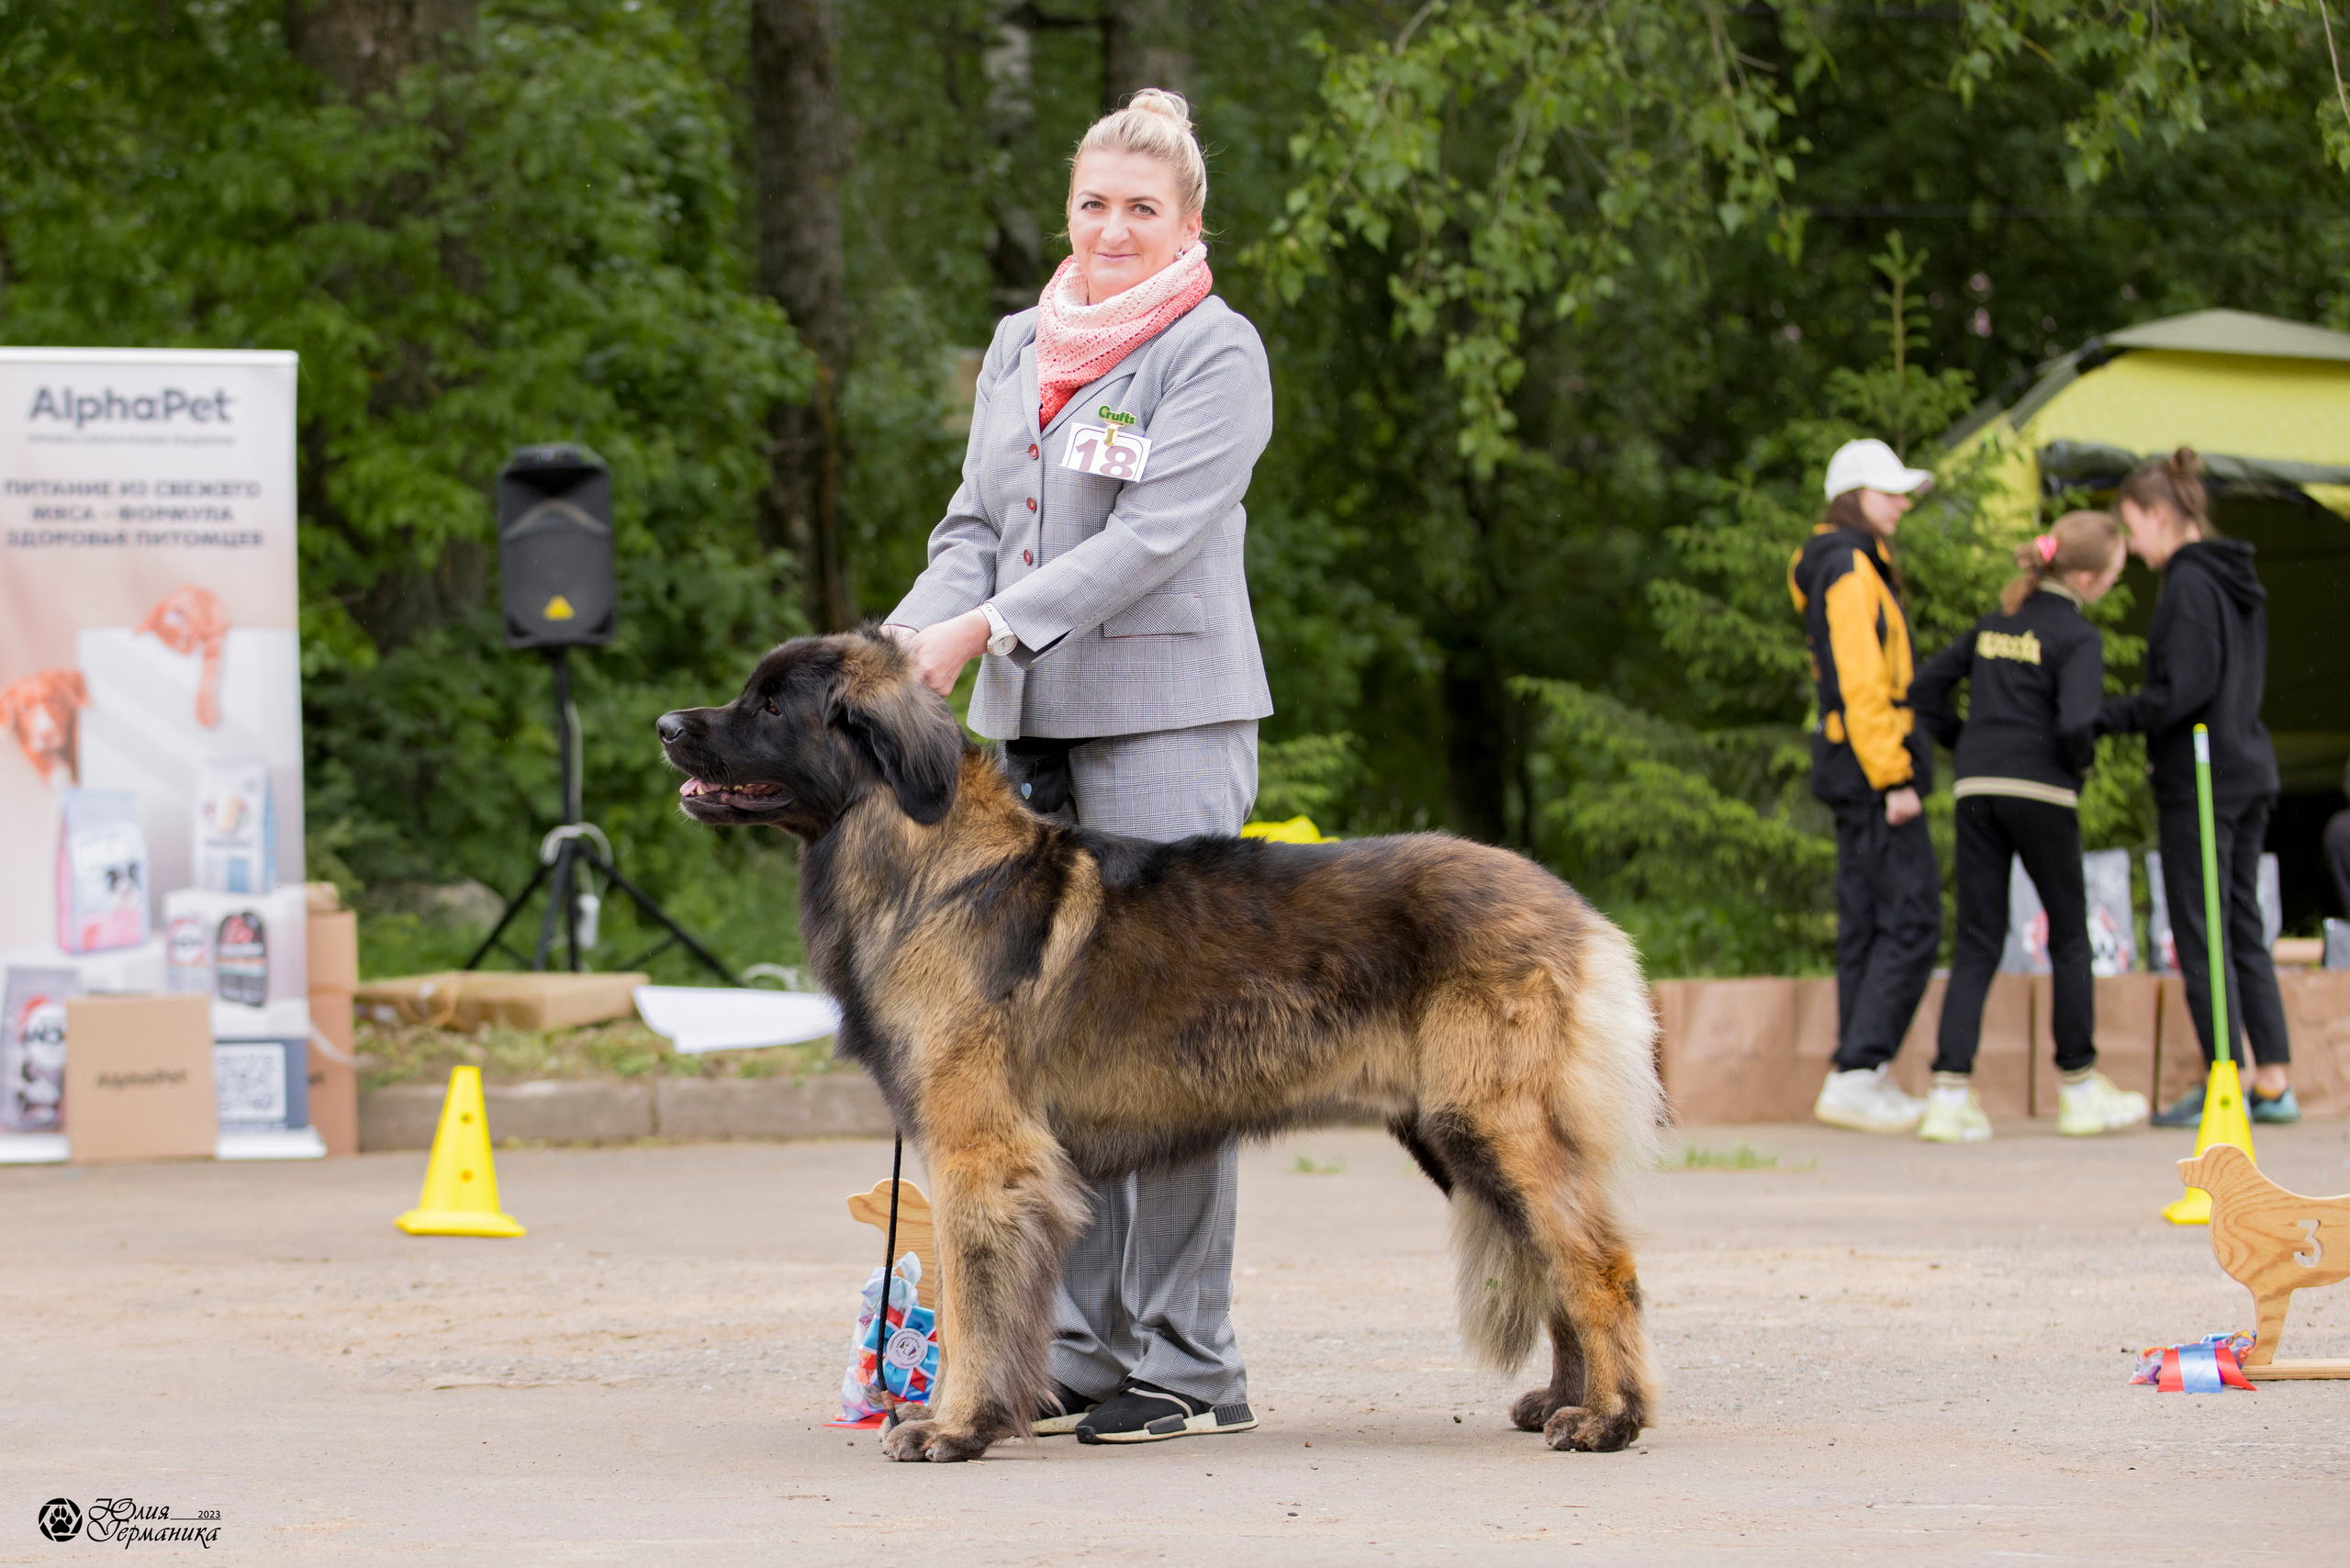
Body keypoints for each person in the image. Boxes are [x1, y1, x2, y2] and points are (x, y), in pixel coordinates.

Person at [879, 89, 1273, 1445]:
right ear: (1067, 211)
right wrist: (906, 641)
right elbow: (972, 524)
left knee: (1177, 1047)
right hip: (1028, 728)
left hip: (1168, 726)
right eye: (1094, 204)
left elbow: (1152, 540)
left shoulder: (1215, 351)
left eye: (1141, 209)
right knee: (1049, 1047)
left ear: (1189, 224)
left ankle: (1189, 1361)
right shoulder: (1018, 343)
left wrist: (984, 627)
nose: (1113, 229)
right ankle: (1084, 1351)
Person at [1909, 510, 2148, 1142]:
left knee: (1978, 940)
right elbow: (2076, 723)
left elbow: (1925, 689)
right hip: (2042, 790)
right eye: (2115, 573)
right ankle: (2078, 1088)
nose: (2113, 582)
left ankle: (1948, 1094)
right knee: (2068, 936)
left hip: (1977, 790)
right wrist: (2079, 766)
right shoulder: (2077, 635)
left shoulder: (1996, 623)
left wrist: (1968, 746)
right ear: (2088, 578)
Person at [2097, 448, 2296, 1126]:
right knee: (2241, 924)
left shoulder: (2187, 584)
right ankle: (2273, 1079)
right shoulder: (2234, 577)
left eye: (2132, 527)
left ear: (2159, 514)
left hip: (2204, 777)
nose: (2132, 545)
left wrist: (2104, 716)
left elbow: (2182, 691)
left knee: (2201, 929)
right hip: (2250, 763)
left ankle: (2225, 1082)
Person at [1794, 439, 1942, 1134]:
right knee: (1913, 920)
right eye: (1890, 492)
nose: (1903, 504)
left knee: (1865, 923)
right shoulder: (1851, 568)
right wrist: (1895, 777)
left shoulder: (1839, 562)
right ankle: (1859, 1070)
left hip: (1848, 767)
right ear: (1853, 497)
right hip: (1873, 770)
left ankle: (1857, 1074)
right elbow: (1862, 686)